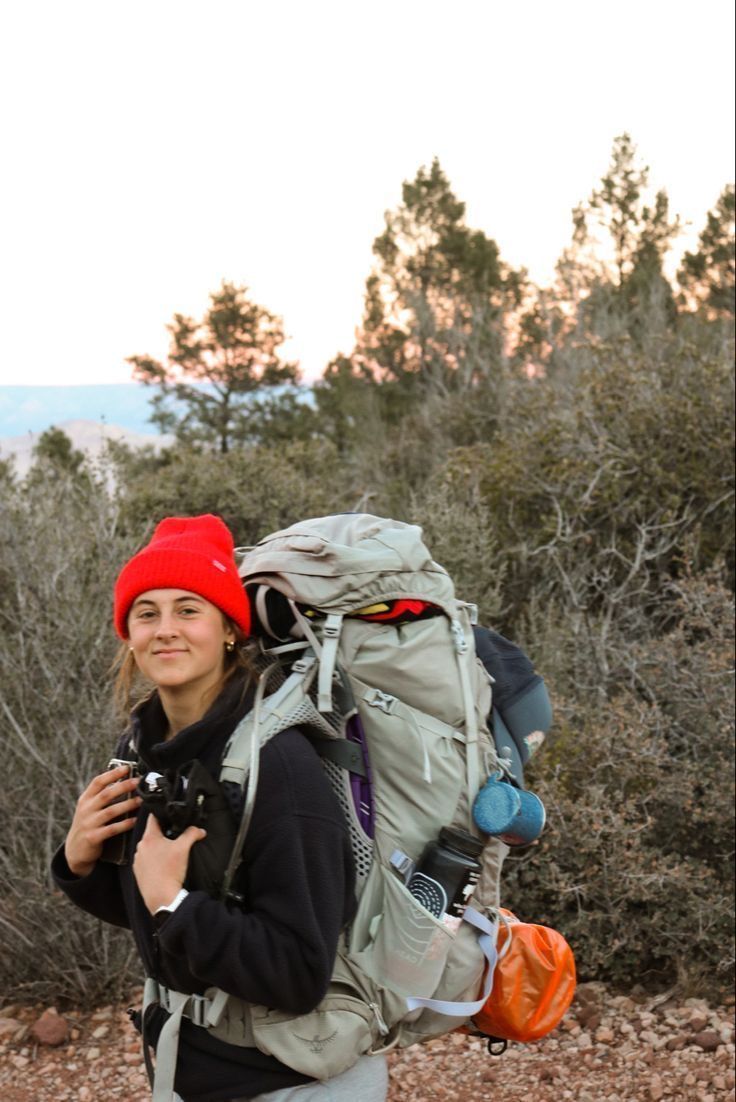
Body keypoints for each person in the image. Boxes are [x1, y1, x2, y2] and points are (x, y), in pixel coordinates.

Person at [51, 514, 389, 1102]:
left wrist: (173, 902)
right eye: (146, 612)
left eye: (189, 609)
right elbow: (162, 919)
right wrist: (78, 864)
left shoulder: (280, 765)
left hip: (294, 1082)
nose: (165, 630)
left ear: (229, 628)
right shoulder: (142, 751)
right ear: (127, 632)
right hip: (192, 1068)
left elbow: (298, 971)